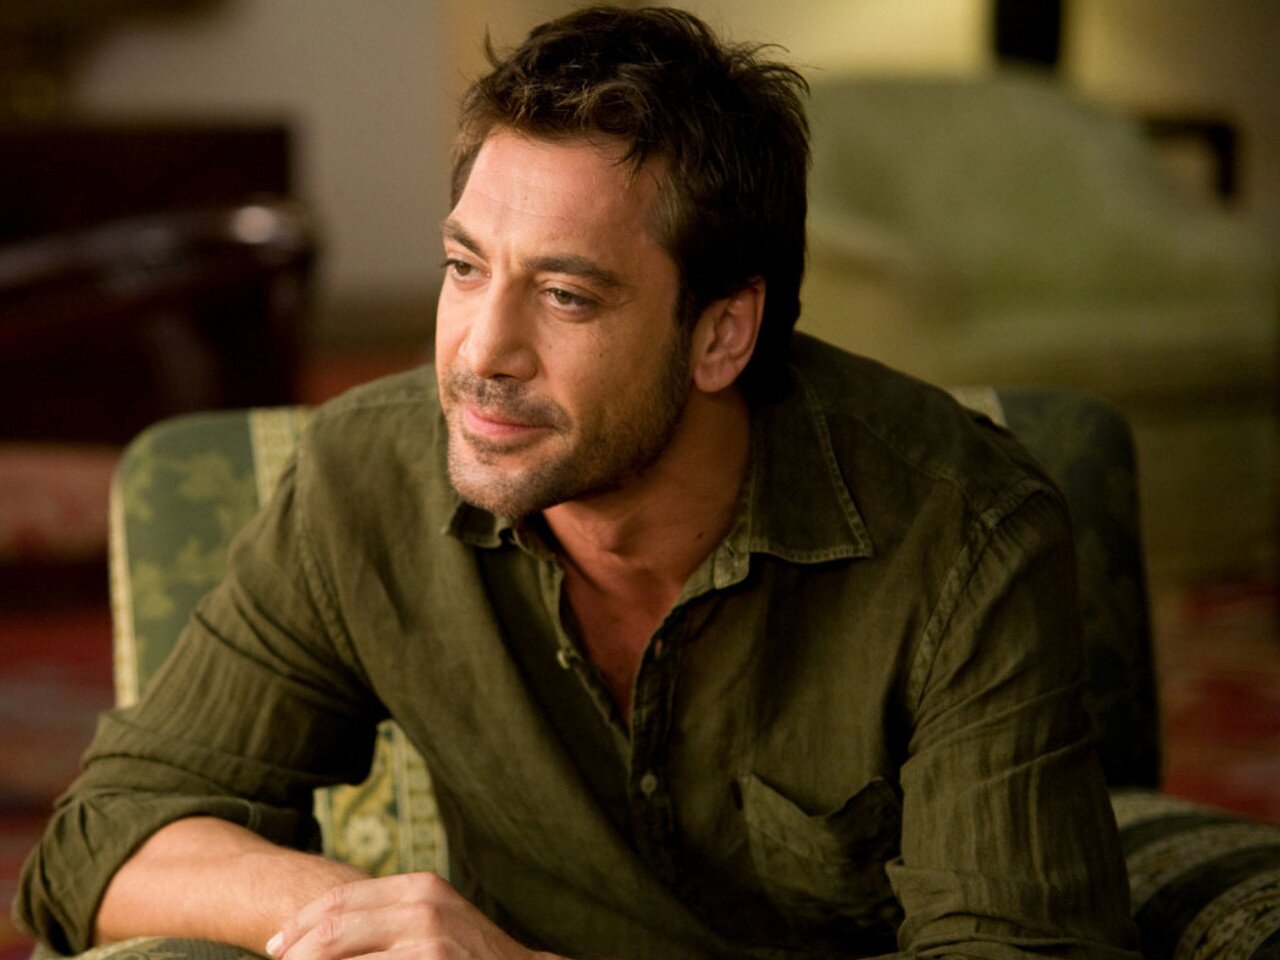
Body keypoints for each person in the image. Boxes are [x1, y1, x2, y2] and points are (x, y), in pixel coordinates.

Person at [17, 7, 1140, 959]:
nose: (481, 352)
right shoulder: (364, 478)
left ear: (721, 334)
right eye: (465, 268)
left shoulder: (963, 532)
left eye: (566, 296)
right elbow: (100, 842)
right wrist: (357, 914)